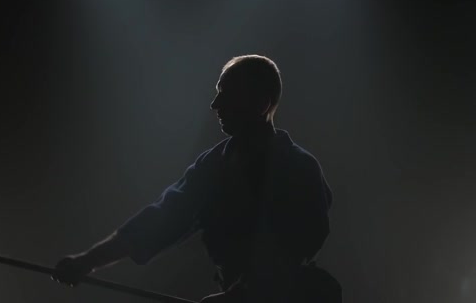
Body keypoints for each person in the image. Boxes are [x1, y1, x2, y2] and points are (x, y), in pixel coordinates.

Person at [52, 55, 336, 302]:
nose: (215, 105)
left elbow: (296, 245)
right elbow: (162, 218)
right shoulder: (213, 167)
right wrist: (86, 262)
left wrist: (241, 296)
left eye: (227, 94)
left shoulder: (298, 168)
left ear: (261, 103)